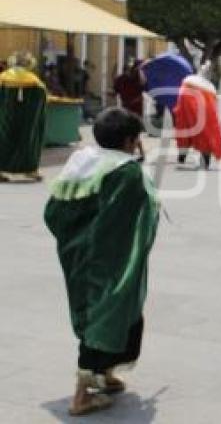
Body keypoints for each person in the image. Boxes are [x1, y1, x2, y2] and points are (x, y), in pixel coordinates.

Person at [44, 108, 159, 416]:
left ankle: (105, 374)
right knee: (105, 316)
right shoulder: (126, 173)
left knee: (117, 315)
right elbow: (133, 219)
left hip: (79, 254)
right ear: (128, 140)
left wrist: (76, 241)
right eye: (136, 139)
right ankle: (81, 396)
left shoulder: (82, 161)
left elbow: (52, 212)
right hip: (112, 261)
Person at [0, 53, 47, 182]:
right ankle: (30, 170)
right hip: (28, 121)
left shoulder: (2, 79)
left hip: (5, 118)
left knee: (4, 141)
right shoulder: (36, 82)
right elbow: (42, 102)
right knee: (28, 141)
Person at [173, 65, 221, 170]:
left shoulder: (189, 81)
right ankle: (204, 162)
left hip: (187, 114)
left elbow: (180, 100)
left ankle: (182, 160)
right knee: (206, 136)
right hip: (200, 116)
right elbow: (212, 109)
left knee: (186, 136)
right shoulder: (209, 88)